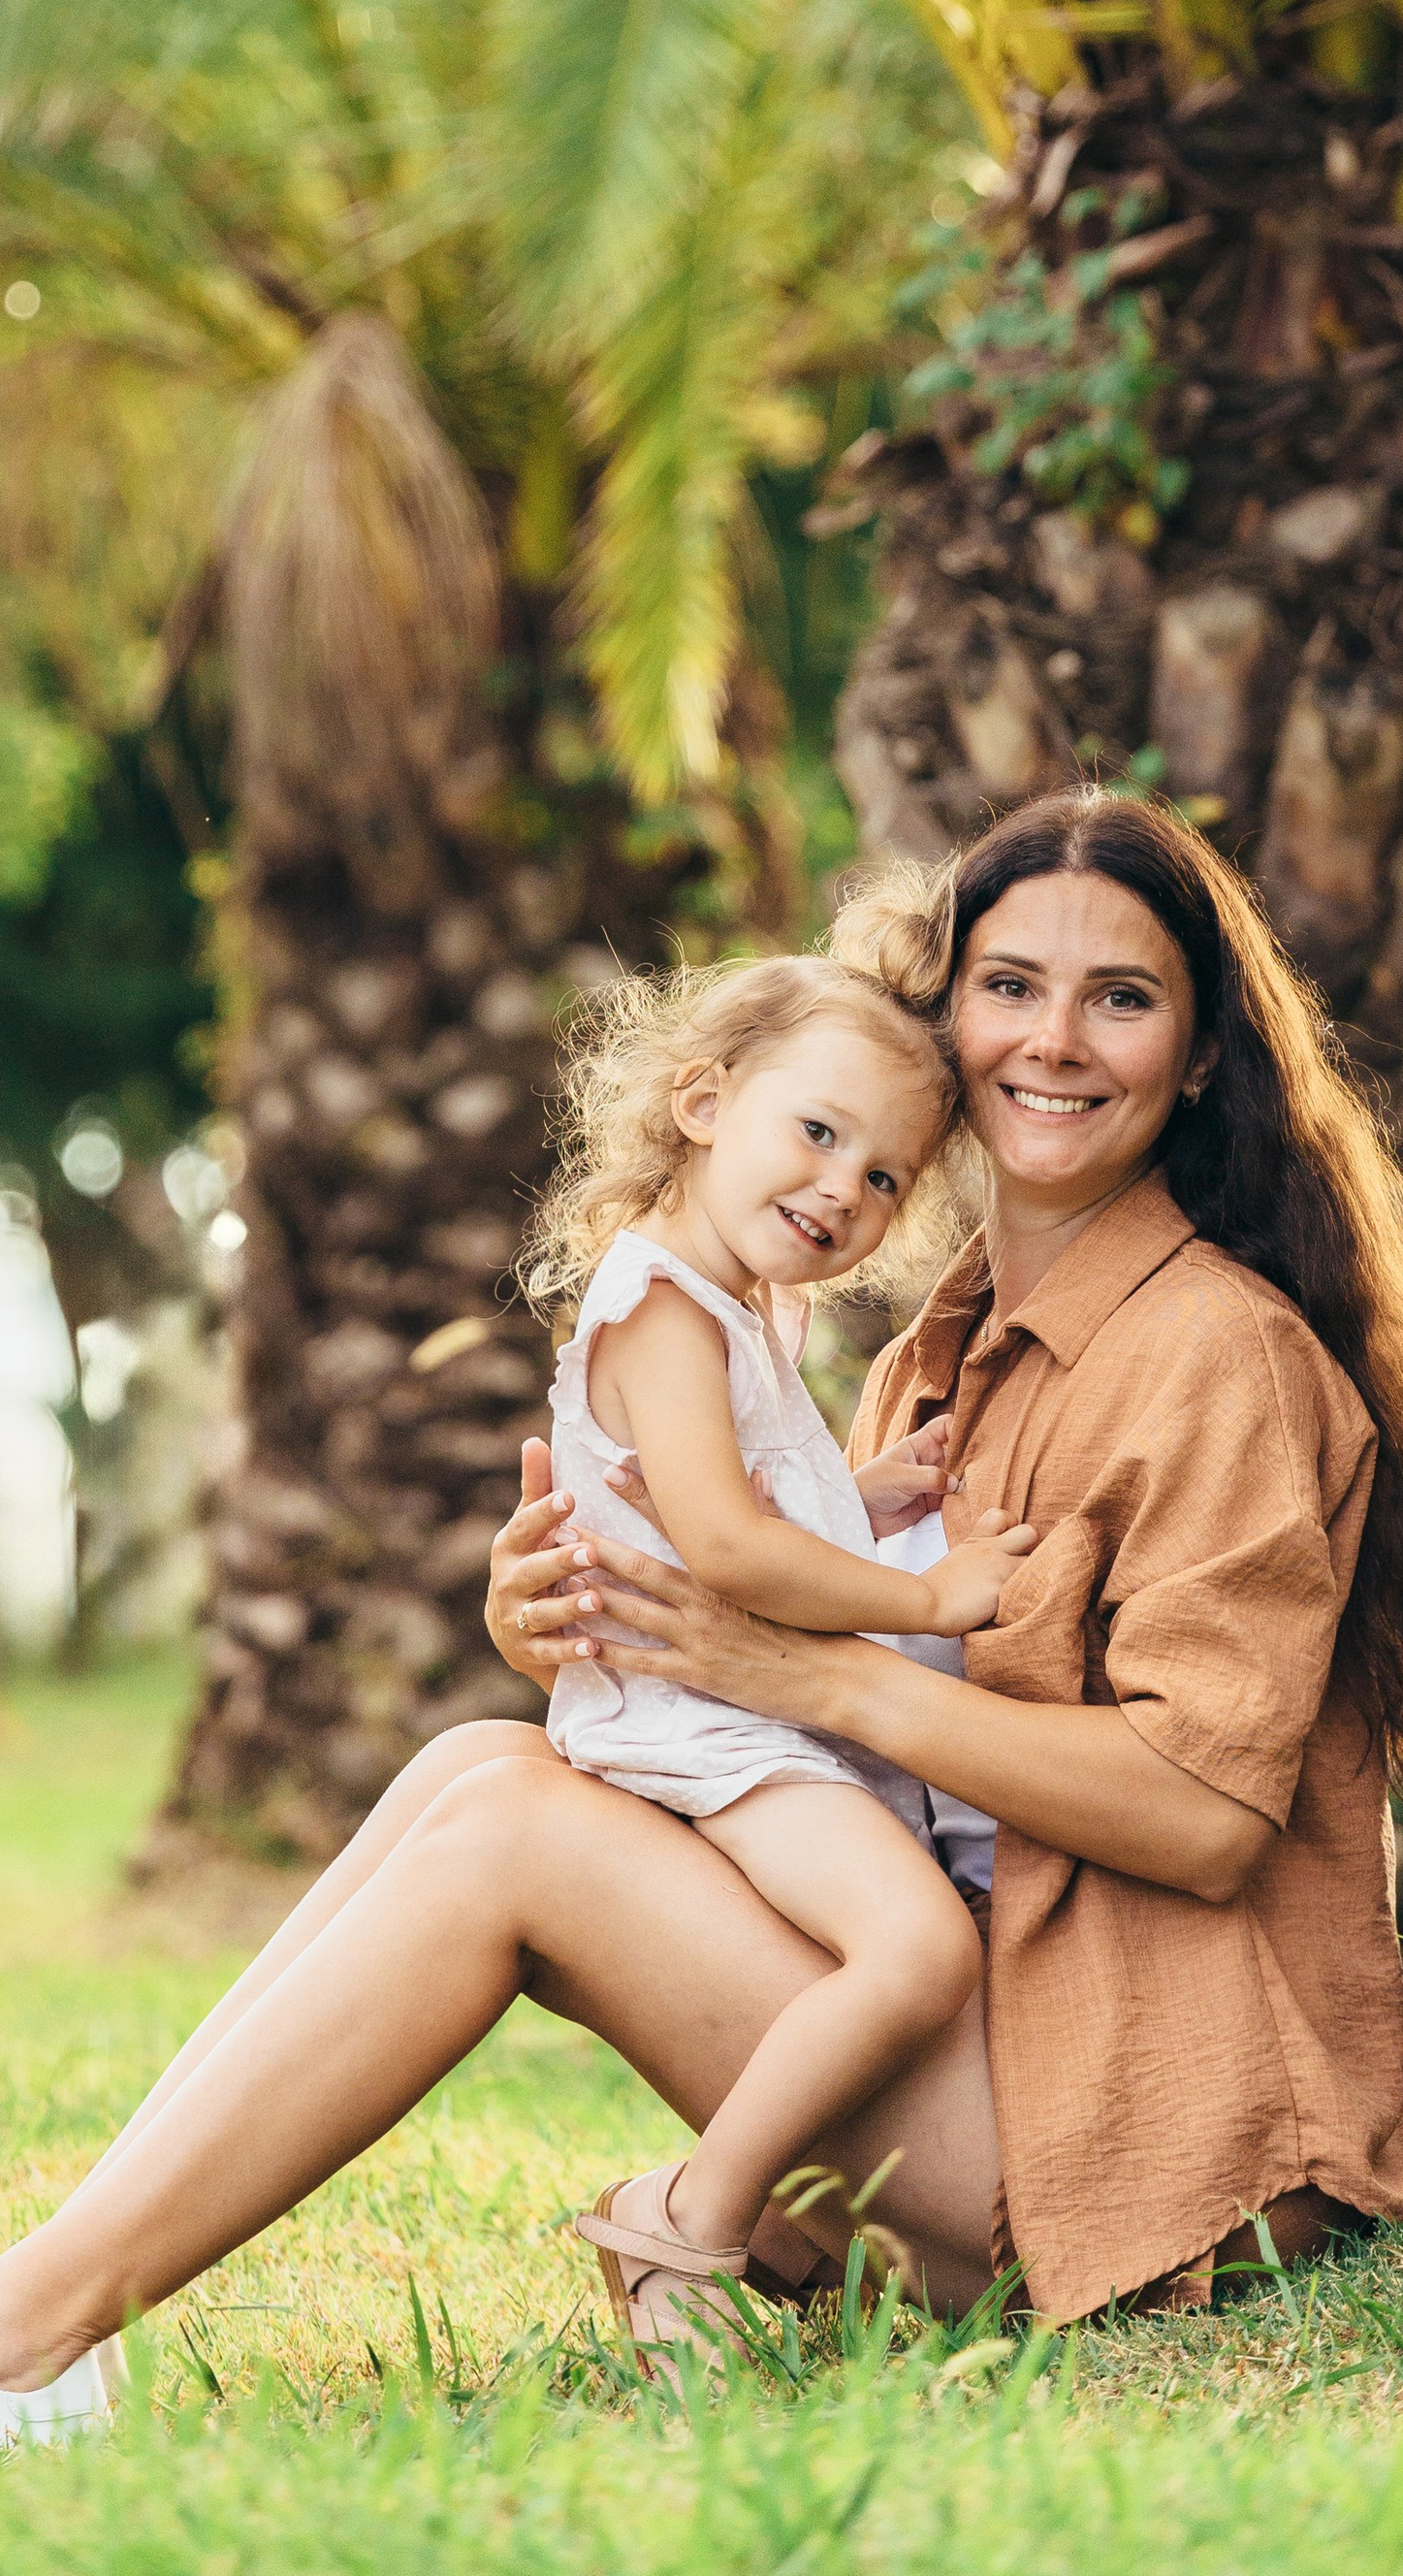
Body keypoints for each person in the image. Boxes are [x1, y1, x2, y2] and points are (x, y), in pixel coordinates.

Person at [0, 788, 1403, 2459]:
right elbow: (783, 1682)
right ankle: (30, 2314)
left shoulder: (1213, 1351)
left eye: (1121, 998)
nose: (1056, 1039)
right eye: (1013, 988)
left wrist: (785, 1662)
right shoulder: (931, 1359)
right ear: (944, 1026)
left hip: (1146, 2150)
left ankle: (6, 2351)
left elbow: (1202, 1818)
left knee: (501, 1823)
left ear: (1204, 1055)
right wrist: (578, 1615)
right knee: (483, 1761)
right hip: (999, 2055)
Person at [523, 953, 1036, 2351]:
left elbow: (744, 1509)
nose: (840, 1190)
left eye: (883, 1179)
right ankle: (686, 2225)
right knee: (918, 1949)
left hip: (733, 1711)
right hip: (702, 1724)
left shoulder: (742, 1304)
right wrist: (937, 1598)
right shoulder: (668, 1309)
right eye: (817, 1133)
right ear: (702, 1099)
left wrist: (864, 1502)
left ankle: (775, 2221)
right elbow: (733, 1556)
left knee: (909, 1951)